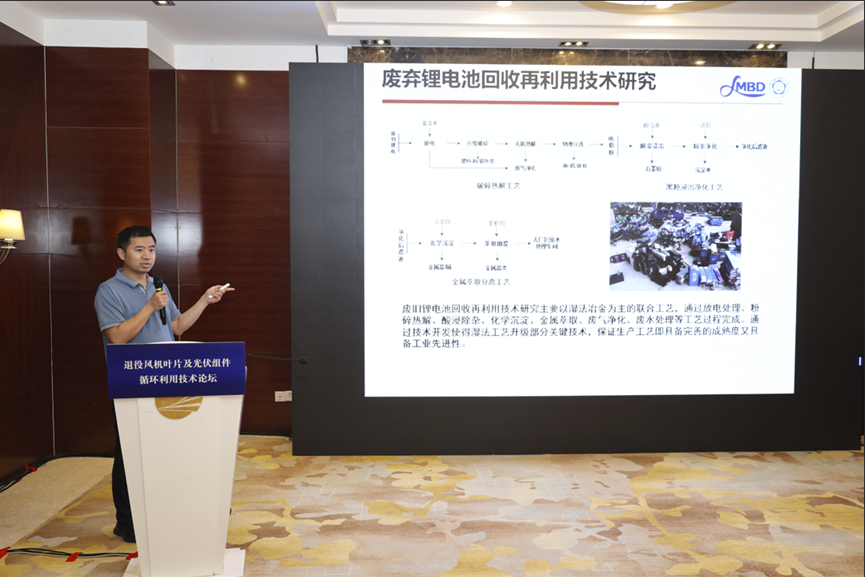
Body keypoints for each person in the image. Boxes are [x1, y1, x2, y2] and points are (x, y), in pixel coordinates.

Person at [94, 225, 234, 543]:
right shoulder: (108, 290)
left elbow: (177, 327)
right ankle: (127, 522)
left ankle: (170, 508)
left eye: (152, 249)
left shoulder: (159, 286)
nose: (147, 256)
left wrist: (204, 301)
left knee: (170, 448)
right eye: (139, 249)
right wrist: (149, 307)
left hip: (167, 378)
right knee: (131, 453)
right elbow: (117, 338)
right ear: (122, 253)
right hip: (131, 381)